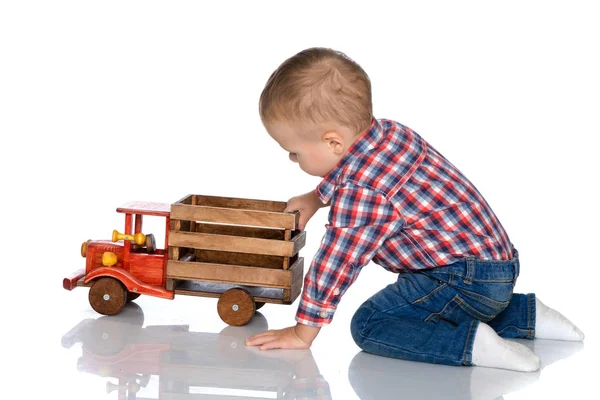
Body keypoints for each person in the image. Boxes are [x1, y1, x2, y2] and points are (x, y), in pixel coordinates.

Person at [245, 47, 584, 371]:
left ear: (334, 142)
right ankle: (526, 315)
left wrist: (303, 331)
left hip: (461, 280)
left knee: (371, 323)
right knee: (438, 301)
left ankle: (470, 344)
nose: (292, 160)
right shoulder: (389, 134)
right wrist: (316, 198)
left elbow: (338, 261)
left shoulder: (362, 191)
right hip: (495, 269)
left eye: (294, 152)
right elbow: (351, 172)